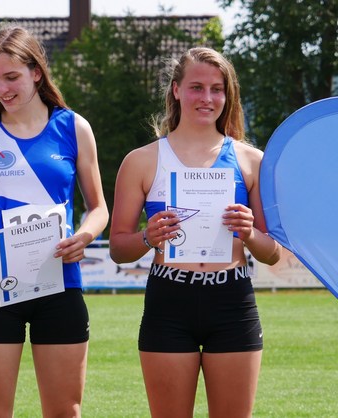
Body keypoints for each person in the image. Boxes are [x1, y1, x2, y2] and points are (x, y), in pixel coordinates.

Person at [0, 26, 109, 418]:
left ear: (36, 72)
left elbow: (99, 208)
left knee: (65, 412)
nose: (1, 88)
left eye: (11, 77)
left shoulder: (74, 127)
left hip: (60, 284)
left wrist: (84, 236)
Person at [109, 47, 282, 418]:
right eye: (196, 87)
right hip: (168, 302)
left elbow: (272, 253)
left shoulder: (252, 161)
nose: (207, 98)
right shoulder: (141, 161)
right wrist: (147, 237)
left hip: (232, 301)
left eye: (217, 89)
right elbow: (118, 248)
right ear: (176, 90)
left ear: (227, 95)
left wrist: (249, 233)